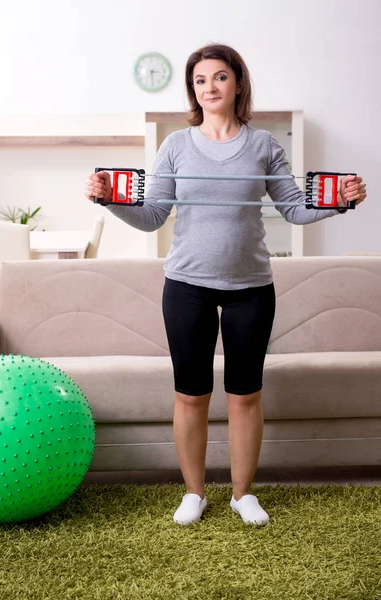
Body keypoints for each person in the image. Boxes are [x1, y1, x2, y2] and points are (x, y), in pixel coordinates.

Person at [85, 43, 367, 527]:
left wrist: (340, 201)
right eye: (199, 80)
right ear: (193, 90)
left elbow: (296, 210)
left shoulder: (264, 147)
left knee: (245, 395)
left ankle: (241, 495)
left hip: (251, 287)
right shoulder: (175, 145)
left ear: (237, 82)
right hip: (187, 285)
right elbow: (153, 216)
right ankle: (194, 493)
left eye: (218, 77)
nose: (209, 87)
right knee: (190, 395)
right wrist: (110, 199)